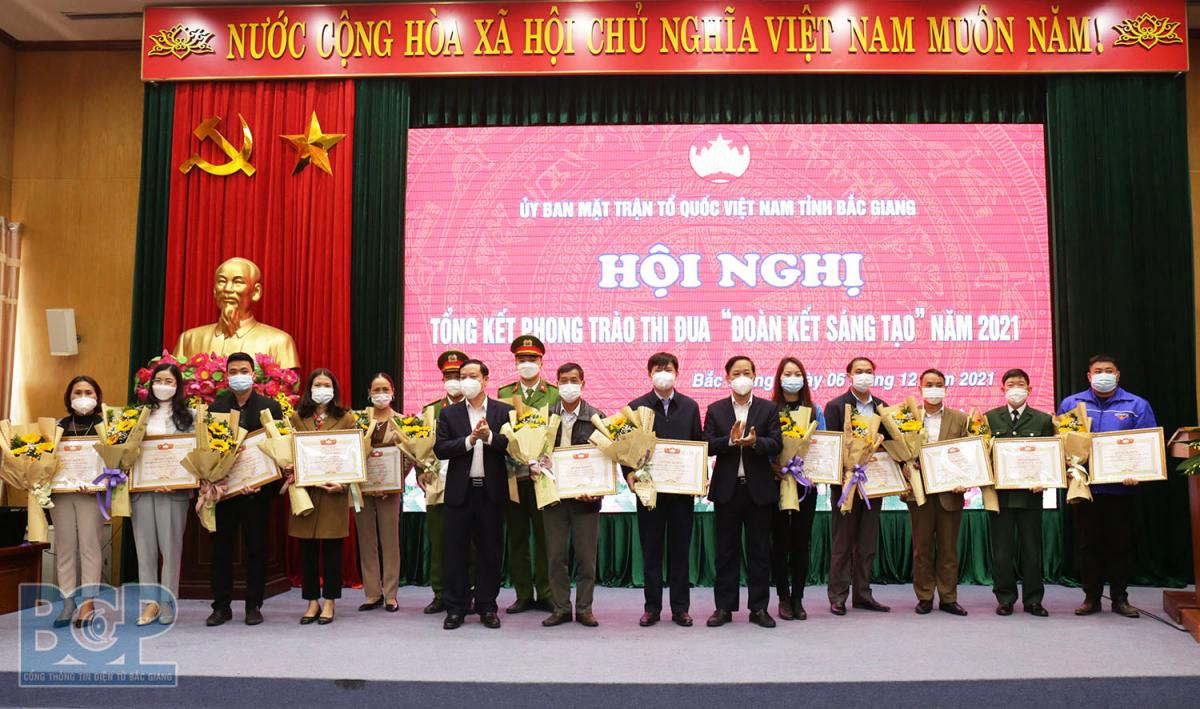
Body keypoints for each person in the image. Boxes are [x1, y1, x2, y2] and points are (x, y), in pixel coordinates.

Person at [1059, 354, 1156, 619]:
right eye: (1098, 371)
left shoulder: (1136, 405)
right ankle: (1091, 598)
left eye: (1109, 370)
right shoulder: (1072, 404)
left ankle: (1119, 598)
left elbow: (1146, 444)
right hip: (1085, 488)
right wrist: (1069, 467)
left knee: (1120, 545)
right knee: (1088, 545)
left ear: (1118, 375)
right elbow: (1061, 443)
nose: (1104, 375)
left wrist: (1137, 471)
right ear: (1089, 376)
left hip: (1121, 489)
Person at [703, 356, 783, 629]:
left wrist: (755, 442)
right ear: (727, 378)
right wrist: (729, 440)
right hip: (727, 491)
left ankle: (759, 608)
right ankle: (724, 608)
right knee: (725, 552)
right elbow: (706, 444)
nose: (742, 378)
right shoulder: (716, 410)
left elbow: (777, 443)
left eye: (746, 372)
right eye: (736, 373)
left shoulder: (768, 408)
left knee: (759, 552)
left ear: (754, 376)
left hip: (758, 490)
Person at [434, 359, 513, 630]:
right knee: (456, 551)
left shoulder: (504, 411)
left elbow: (512, 447)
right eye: (463, 376)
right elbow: (441, 449)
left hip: (491, 493)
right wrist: (470, 440)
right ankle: (456, 607)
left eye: (473, 376)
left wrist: (489, 436)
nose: (467, 381)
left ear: (485, 380)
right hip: (460, 492)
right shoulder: (449, 413)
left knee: (490, 551)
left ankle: (487, 606)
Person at [206, 351, 283, 627]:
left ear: (253, 374)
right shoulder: (216, 407)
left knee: (256, 549)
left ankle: (253, 605)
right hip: (225, 492)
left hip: (257, 493)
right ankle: (221, 606)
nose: (238, 376)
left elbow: (278, 447)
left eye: (243, 371)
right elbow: (209, 451)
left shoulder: (270, 407)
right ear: (226, 376)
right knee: (221, 550)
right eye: (233, 371)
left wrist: (263, 483)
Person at [627, 352, 704, 628]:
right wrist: (629, 474)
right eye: (658, 369)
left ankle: (681, 609)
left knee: (680, 551)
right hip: (649, 492)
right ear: (650, 374)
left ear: (676, 373)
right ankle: (652, 608)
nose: (663, 373)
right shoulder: (636, 407)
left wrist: (699, 477)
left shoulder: (690, 407)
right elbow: (626, 450)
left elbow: (698, 444)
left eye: (668, 368)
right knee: (651, 551)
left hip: (681, 494)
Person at [287, 368, 356, 626]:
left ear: (334, 390)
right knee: (307, 551)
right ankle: (311, 601)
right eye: (318, 385)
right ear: (309, 389)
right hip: (305, 494)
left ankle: (329, 602)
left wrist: (343, 483)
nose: (322, 389)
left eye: (327, 385)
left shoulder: (346, 418)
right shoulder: (297, 418)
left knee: (332, 551)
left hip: (333, 493)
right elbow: (289, 451)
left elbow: (353, 456)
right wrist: (290, 467)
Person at [985, 368, 1054, 617]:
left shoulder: (1043, 420)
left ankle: (1033, 599)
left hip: (1031, 495)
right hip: (1000, 495)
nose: (1016, 388)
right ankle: (1005, 598)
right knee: (1002, 550)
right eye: (1011, 384)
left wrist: (1045, 478)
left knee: (1032, 550)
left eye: (1021, 384)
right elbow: (982, 456)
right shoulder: (989, 418)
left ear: (1030, 389)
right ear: (1002, 389)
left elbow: (1051, 456)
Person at [823, 356, 890, 615]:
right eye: (859, 371)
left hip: (873, 484)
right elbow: (832, 446)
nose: (864, 375)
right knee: (842, 543)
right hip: (845, 485)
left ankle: (863, 594)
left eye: (868, 371)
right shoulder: (836, 406)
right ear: (849, 375)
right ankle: (838, 596)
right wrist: (844, 471)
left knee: (867, 543)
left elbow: (888, 445)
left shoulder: (882, 407)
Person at [496, 335, 557, 613]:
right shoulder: (504, 394)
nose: (527, 363)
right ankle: (522, 593)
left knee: (545, 538)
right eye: (522, 359)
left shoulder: (554, 393)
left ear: (541, 362)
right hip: (514, 476)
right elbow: (501, 434)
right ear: (515, 362)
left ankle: (545, 592)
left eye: (532, 359)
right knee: (518, 537)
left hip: (543, 477)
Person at [541, 362, 604, 628]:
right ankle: (561, 608)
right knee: (556, 557)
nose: (569, 385)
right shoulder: (544, 416)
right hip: (553, 497)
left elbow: (605, 460)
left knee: (586, 559)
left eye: (574, 380)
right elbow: (533, 453)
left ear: (583, 384)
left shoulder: (596, 417)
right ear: (557, 384)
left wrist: (597, 490)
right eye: (564, 380)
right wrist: (535, 465)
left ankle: (585, 608)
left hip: (585, 500)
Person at [132, 363, 195, 626]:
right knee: (144, 548)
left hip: (174, 492)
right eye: (158, 380)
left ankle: (168, 601)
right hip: (143, 490)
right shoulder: (137, 415)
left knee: (171, 549)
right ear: (151, 384)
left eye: (169, 381)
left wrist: (178, 479)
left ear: (177, 386)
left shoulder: (191, 417)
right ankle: (150, 603)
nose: (163, 385)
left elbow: (196, 453)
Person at [906, 369, 969, 616]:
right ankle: (924, 597)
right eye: (929, 384)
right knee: (921, 549)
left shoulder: (960, 419)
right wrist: (905, 469)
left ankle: (948, 598)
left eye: (939, 384)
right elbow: (898, 453)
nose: (934, 388)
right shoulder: (907, 417)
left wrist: (965, 479)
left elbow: (968, 454)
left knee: (948, 550)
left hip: (950, 492)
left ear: (945, 389)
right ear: (920, 388)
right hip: (919, 491)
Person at [770, 357, 826, 621]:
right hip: (778, 482)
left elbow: (823, 445)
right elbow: (767, 446)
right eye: (787, 373)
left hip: (806, 484)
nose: (792, 378)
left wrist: (812, 471)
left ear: (803, 378)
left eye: (797, 374)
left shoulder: (815, 410)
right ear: (779, 378)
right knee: (780, 541)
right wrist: (775, 467)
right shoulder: (769, 409)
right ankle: (783, 597)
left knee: (801, 542)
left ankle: (798, 598)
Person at [173, 257, 300, 368]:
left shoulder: (279, 342)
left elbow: (287, 386)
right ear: (214, 291)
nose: (227, 289)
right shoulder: (189, 339)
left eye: (238, 282)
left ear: (256, 292)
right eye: (222, 281)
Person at [51, 376, 106, 628]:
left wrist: (100, 482)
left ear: (97, 397)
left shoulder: (106, 425)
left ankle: (88, 603)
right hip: (61, 494)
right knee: (64, 548)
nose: (83, 397)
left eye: (88, 392)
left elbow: (115, 462)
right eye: (77, 392)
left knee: (89, 546)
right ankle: (67, 601)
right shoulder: (58, 426)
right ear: (69, 397)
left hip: (92, 494)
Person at [419, 350, 468, 615]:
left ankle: (468, 593)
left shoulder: (476, 408)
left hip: (469, 483)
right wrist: (421, 469)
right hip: (437, 483)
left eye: (458, 375)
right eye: (448, 375)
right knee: (439, 542)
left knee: (469, 543)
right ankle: (440, 594)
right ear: (442, 379)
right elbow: (420, 445)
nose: (453, 380)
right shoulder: (431, 410)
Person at [356, 373, 402, 614]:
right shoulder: (357, 420)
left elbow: (408, 457)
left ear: (393, 392)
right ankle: (372, 593)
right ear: (369, 393)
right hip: (362, 489)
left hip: (389, 491)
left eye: (385, 389)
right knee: (366, 540)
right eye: (376, 389)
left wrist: (394, 480)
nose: (381, 393)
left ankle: (391, 595)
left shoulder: (402, 421)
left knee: (390, 541)